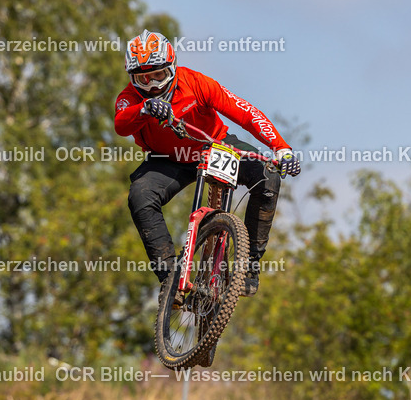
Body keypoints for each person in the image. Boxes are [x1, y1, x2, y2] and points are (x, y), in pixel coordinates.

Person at [115, 30, 301, 297]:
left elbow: (246, 113)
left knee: (268, 177)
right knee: (140, 196)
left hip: (213, 144)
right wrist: (144, 108)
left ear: (172, 67)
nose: (153, 84)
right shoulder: (130, 97)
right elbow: (120, 124)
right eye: (143, 77)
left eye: (158, 74)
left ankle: (248, 267)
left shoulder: (197, 83)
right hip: (167, 159)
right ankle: (170, 278)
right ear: (132, 77)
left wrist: (281, 148)